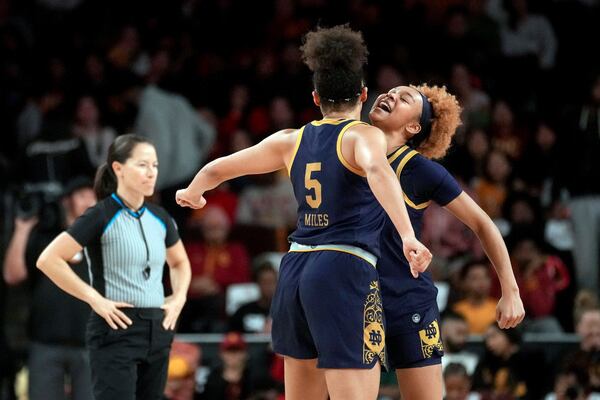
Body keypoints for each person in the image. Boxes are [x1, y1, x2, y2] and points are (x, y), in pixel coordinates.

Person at [176, 25, 431, 400]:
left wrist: (192, 193)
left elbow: (217, 169)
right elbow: (378, 171)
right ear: (363, 94)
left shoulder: (289, 140)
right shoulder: (363, 135)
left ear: (315, 98)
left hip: (294, 270)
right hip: (344, 266)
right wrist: (408, 235)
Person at [367, 84, 524, 399]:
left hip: (409, 303)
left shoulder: (420, 170)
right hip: (360, 302)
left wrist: (510, 290)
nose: (390, 96)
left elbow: (482, 223)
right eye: (391, 91)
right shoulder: (348, 152)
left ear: (414, 126)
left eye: (404, 97)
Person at [36, 134, 191, 400]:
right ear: (118, 168)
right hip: (116, 327)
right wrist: (94, 299)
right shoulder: (101, 215)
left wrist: (178, 299)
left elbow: (179, 262)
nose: (151, 172)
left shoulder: (161, 217)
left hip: (158, 328)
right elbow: (48, 259)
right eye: (142, 165)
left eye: (154, 165)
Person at [3, 177, 96, 400]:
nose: (89, 201)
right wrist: (22, 229)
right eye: (82, 195)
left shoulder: (103, 240)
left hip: (91, 342)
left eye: (93, 195)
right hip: (46, 341)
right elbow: (12, 275)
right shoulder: (45, 239)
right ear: (67, 201)